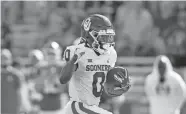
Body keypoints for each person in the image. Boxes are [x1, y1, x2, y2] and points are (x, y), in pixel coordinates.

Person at [60, 14, 118, 114]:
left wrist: (118, 85)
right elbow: (63, 79)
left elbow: (104, 85)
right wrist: (74, 59)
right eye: (103, 37)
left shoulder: (111, 54)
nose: (107, 41)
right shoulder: (77, 51)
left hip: (92, 107)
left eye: (108, 37)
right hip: (77, 106)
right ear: (90, 35)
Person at [34, 41, 67, 114]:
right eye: (49, 54)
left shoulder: (62, 67)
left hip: (59, 104)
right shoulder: (40, 67)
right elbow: (37, 87)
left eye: (53, 54)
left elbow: (64, 88)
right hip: (44, 104)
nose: (51, 56)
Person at [1, 49, 32, 114]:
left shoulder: (16, 74)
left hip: (13, 109)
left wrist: (25, 106)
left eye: (6, 58)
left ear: (10, 59)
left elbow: (23, 92)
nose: (4, 60)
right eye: (2, 58)